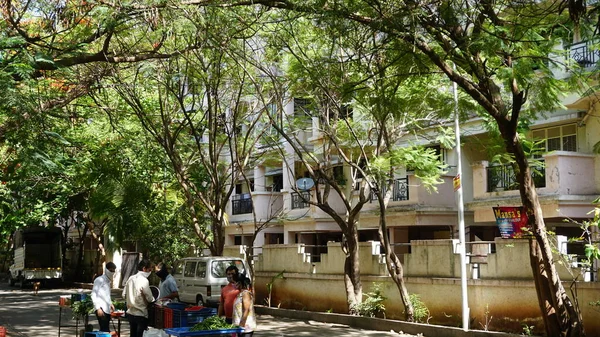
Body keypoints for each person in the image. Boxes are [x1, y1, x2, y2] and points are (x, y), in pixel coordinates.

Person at [122, 259, 155, 337]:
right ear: (144, 269)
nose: (150, 272)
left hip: (131, 313)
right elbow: (150, 298)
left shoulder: (131, 278)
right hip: (141, 314)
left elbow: (124, 295)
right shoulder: (144, 281)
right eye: (149, 269)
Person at [91, 262, 117, 332]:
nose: (112, 272)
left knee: (105, 330)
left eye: (113, 271)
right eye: (110, 270)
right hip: (101, 309)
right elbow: (93, 294)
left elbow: (106, 295)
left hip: (107, 309)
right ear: (106, 270)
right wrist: (98, 308)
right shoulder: (99, 280)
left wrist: (110, 303)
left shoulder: (108, 281)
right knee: (104, 330)